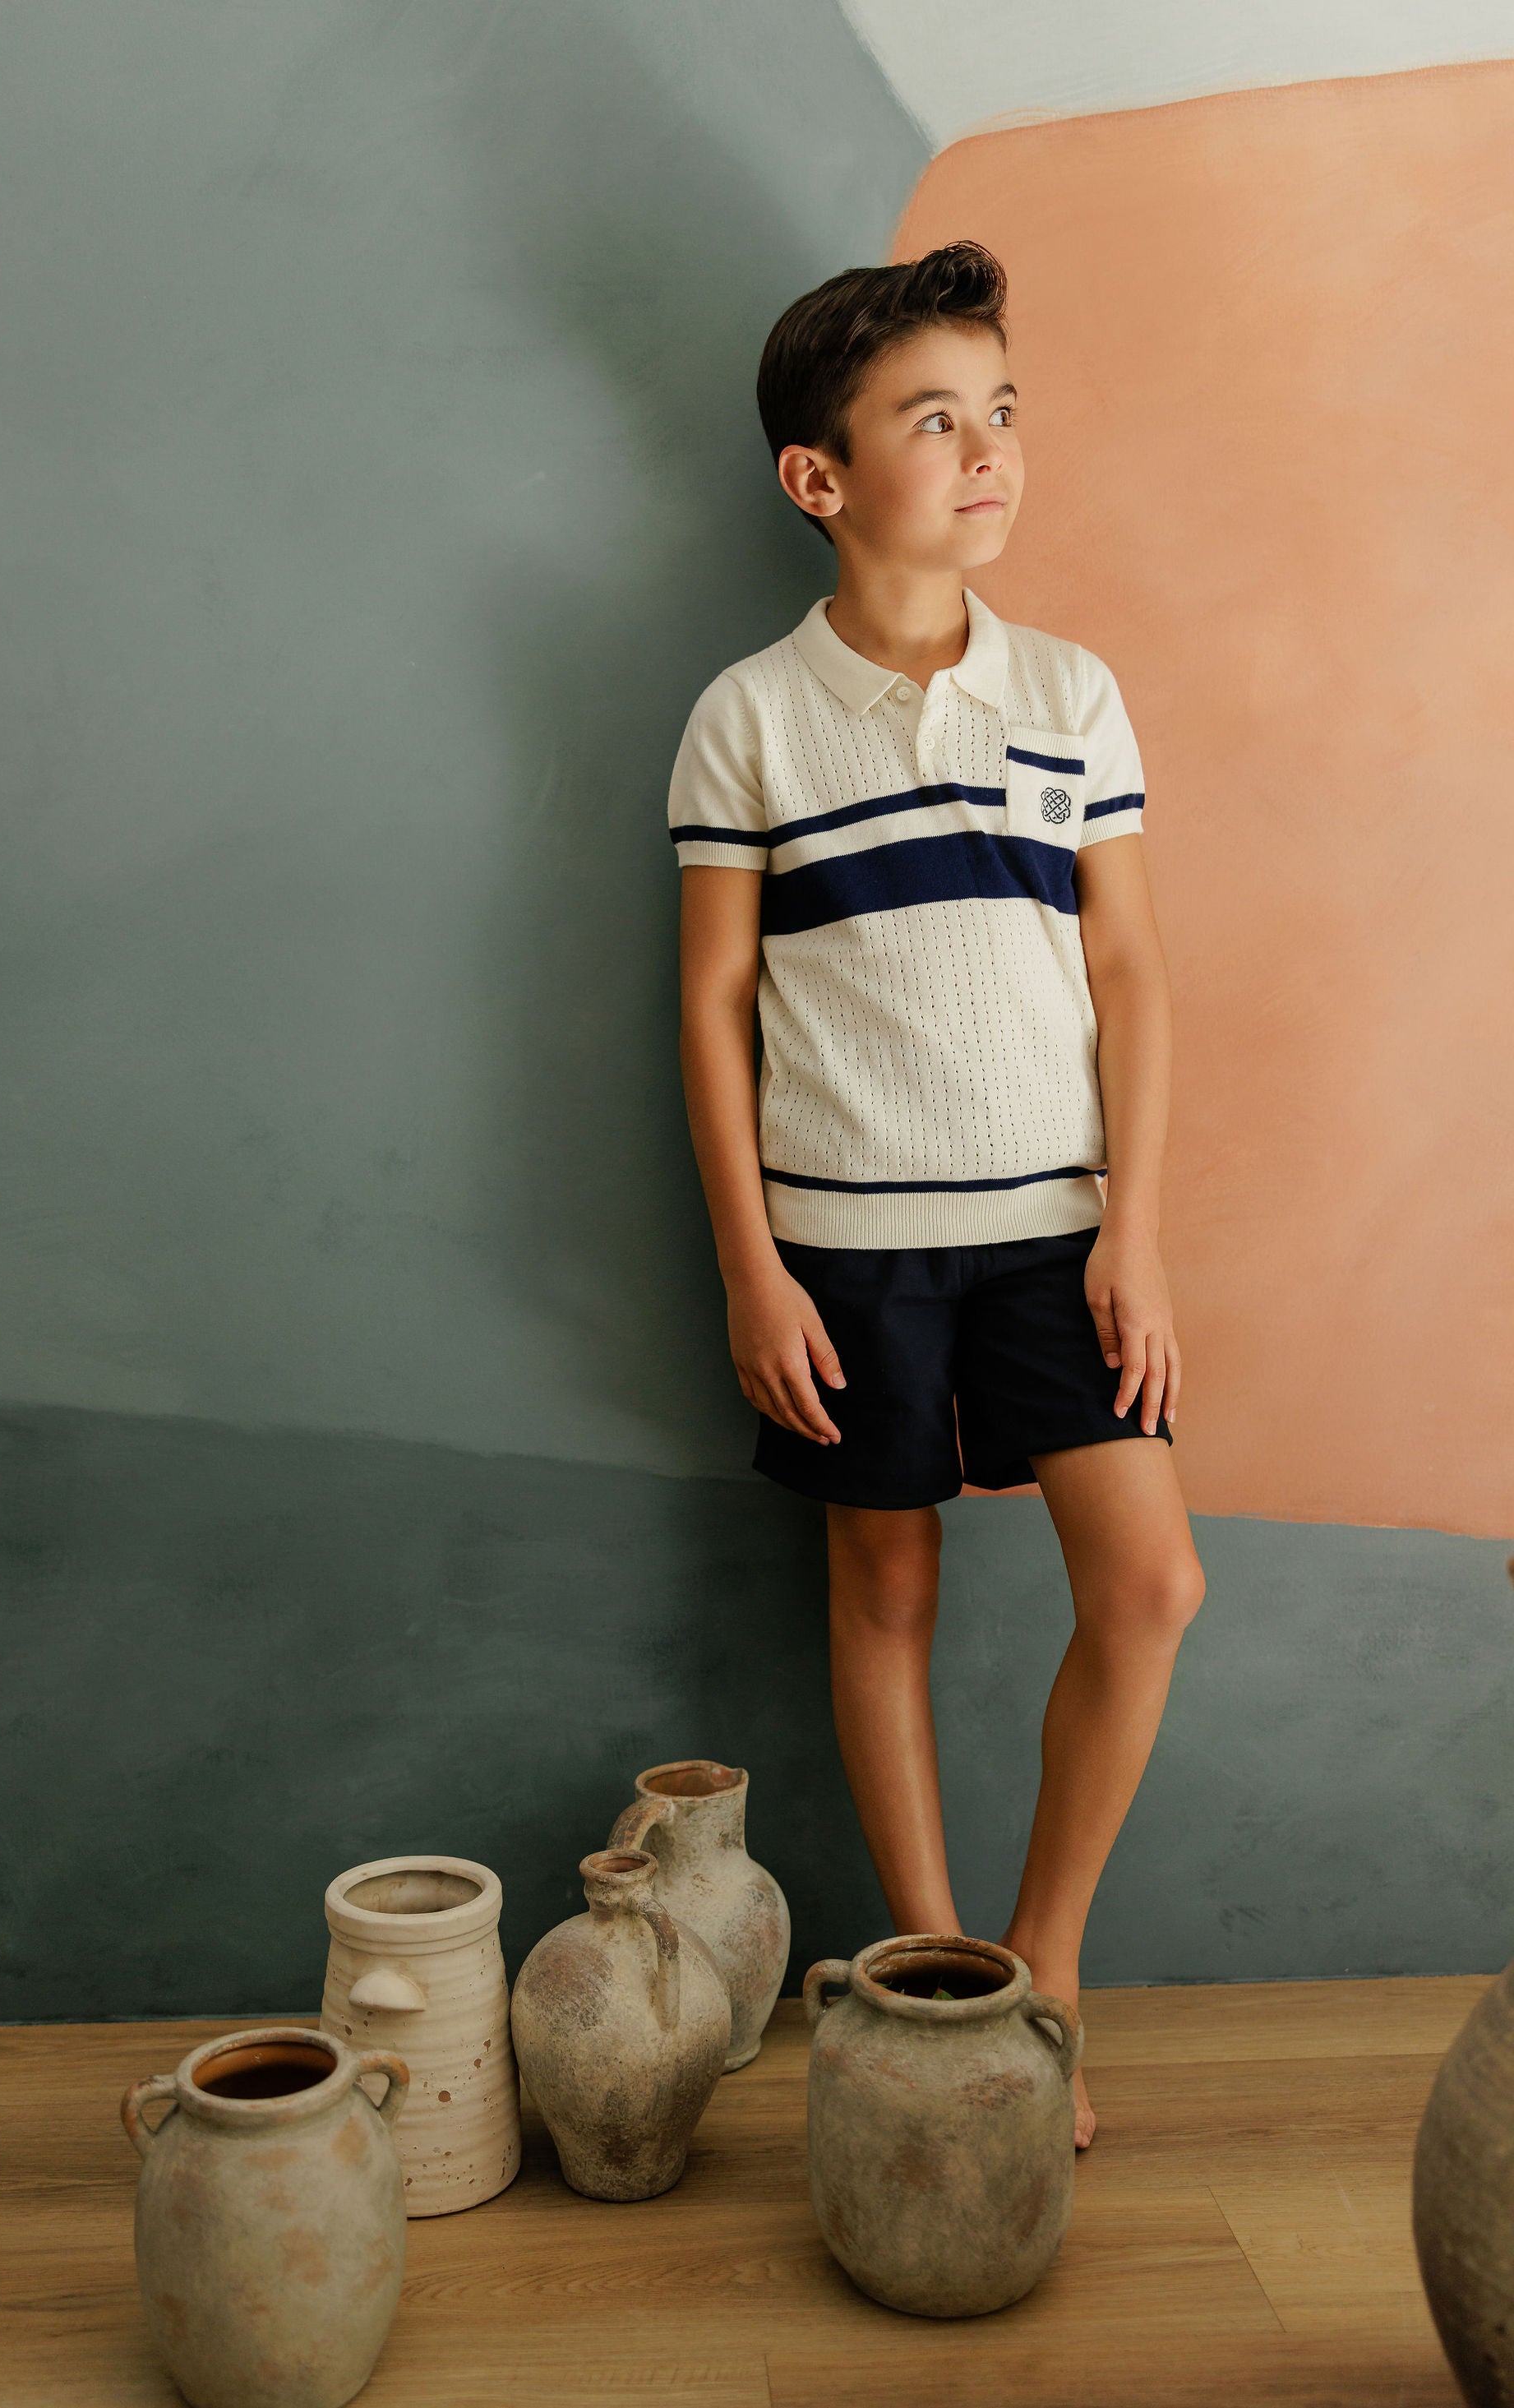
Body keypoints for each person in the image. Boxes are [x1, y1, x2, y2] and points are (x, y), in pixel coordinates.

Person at [667, 243, 1205, 2149]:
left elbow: (1127, 968)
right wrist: (752, 1269)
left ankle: (1040, 1964)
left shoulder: (1069, 691)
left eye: (1001, 413)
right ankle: (932, 1975)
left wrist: (1134, 1230)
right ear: (817, 477)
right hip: (843, 1247)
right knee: (883, 1586)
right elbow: (712, 1002)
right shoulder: (747, 717)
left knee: (1148, 1582)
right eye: (934, 420)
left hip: (1060, 1234)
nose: (987, 452)